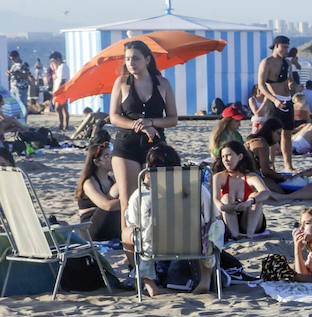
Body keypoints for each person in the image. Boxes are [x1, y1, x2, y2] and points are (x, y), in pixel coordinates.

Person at [108, 40, 179, 260]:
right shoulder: (121, 83)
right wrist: (136, 124)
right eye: (127, 59)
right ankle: (131, 258)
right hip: (126, 145)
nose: (131, 63)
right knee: (128, 202)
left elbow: (173, 118)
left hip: (156, 147)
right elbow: (114, 116)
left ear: (147, 59)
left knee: (159, 198)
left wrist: (151, 122)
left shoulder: (163, 83)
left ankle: (158, 249)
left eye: (135, 58)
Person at [125, 143, 219, 297]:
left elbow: (133, 223)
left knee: (127, 233)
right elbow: (212, 217)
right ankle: (205, 280)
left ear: (149, 168)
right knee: (214, 227)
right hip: (194, 246)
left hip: (154, 248)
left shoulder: (141, 195)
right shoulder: (197, 189)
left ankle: (150, 285)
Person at [213, 140, 270, 239]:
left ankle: (249, 235)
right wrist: (224, 207)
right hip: (229, 218)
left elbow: (266, 192)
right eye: (223, 157)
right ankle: (235, 235)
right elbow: (215, 199)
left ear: (240, 156)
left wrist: (249, 202)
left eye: (229, 155)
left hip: (250, 220)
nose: (225, 159)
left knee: (255, 197)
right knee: (226, 198)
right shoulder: (219, 177)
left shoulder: (250, 176)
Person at [257, 36, 296, 172]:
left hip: (287, 100)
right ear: (276, 45)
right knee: (271, 134)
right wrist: (274, 100)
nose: (286, 50)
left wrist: (292, 86)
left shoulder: (287, 63)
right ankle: (270, 163)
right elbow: (261, 85)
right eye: (284, 47)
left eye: (287, 47)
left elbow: (290, 80)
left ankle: (288, 165)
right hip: (274, 100)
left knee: (287, 133)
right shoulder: (266, 63)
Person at [74, 136, 123, 243]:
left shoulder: (110, 179)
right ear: (96, 162)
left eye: (111, 156)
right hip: (90, 229)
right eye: (106, 156)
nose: (111, 159)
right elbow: (106, 206)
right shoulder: (89, 183)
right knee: (118, 188)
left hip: (108, 226)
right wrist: (128, 202)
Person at [49, 52, 69, 131]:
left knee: (58, 108)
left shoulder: (63, 67)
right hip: (59, 91)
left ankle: (62, 125)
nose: (53, 62)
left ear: (58, 59)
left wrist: (58, 91)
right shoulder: (59, 67)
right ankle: (64, 125)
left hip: (62, 91)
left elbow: (63, 80)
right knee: (63, 108)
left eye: (54, 60)